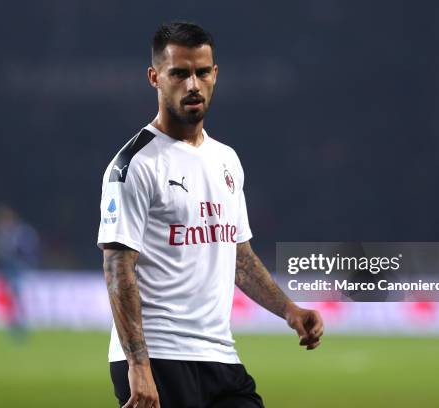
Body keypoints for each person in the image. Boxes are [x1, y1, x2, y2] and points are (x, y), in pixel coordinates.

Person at [97, 21, 323, 408]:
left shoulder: (226, 160)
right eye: (179, 74)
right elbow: (118, 268)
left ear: (215, 74)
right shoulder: (134, 165)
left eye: (202, 72)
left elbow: (239, 257)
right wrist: (138, 365)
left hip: (220, 356)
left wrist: (288, 310)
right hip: (160, 357)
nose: (193, 85)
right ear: (155, 77)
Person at [0, 203, 40, 340]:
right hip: (9, 272)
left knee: (18, 298)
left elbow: (29, 250)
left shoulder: (21, 233)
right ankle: (15, 325)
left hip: (19, 271)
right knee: (11, 299)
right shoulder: (2, 235)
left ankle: (20, 326)